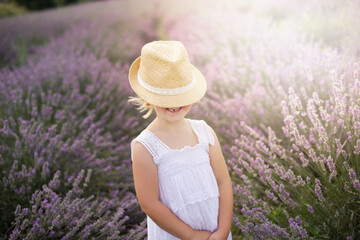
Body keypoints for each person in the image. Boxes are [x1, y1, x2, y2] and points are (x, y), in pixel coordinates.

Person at [128, 40, 233, 240]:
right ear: (149, 97)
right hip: (177, 235)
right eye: (166, 98)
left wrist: (223, 230)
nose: (174, 104)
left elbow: (223, 182)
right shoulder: (146, 147)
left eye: (181, 95)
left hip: (214, 230)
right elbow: (149, 203)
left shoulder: (204, 132)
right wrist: (192, 235)